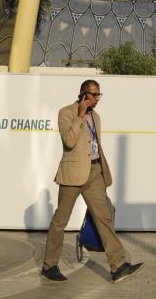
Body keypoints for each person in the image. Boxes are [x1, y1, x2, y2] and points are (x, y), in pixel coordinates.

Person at [40, 79, 143, 284]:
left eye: (99, 95)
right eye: (94, 95)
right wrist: (79, 115)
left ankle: (119, 265)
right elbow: (69, 141)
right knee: (61, 220)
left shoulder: (96, 116)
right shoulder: (66, 112)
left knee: (104, 217)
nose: (97, 99)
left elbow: (93, 144)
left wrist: (102, 171)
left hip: (94, 172)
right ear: (83, 94)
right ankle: (49, 265)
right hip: (73, 175)